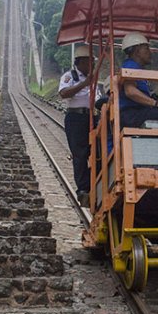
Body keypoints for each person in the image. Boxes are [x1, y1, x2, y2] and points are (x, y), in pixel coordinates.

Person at [58, 44, 100, 207]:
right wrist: (84, 84)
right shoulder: (70, 76)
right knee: (80, 154)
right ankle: (83, 188)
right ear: (81, 62)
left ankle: (96, 181)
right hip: (76, 118)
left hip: (92, 116)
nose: (93, 65)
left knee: (98, 150)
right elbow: (63, 93)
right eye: (90, 62)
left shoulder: (93, 78)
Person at [118, 32, 158, 129]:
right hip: (131, 114)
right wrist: (157, 104)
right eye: (146, 48)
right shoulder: (130, 65)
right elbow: (130, 91)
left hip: (135, 113)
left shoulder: (136, 68)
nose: (150, 52)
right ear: (137, 51)